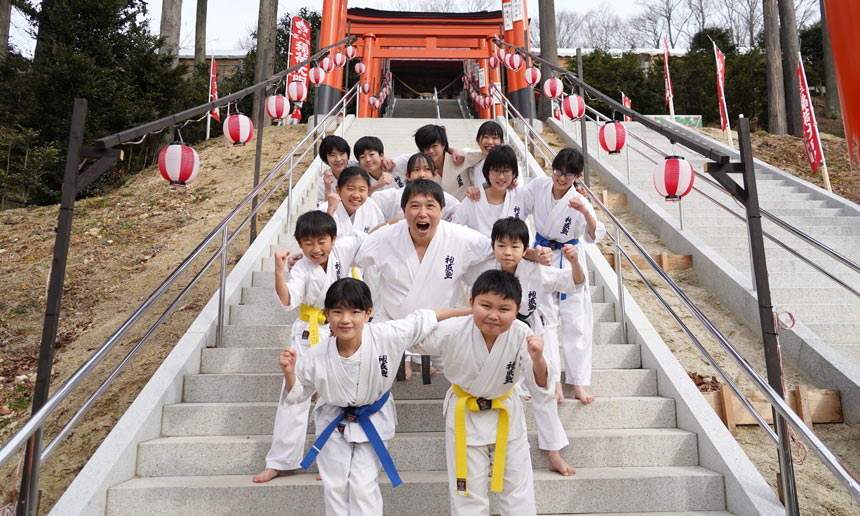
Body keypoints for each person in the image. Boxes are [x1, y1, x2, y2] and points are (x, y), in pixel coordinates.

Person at [279, 278, 467, 516]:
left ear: (368, 314)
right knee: (335, 485)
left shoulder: (386, 334)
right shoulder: (316, 355)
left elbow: (426, 318)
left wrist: (473, 311)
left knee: (362, 485)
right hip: (332, 420)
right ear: (326, 314)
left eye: (354, 312)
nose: (345, 320)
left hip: (373, 418)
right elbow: (298, 395)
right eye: (337, 312)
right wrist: (289, 374)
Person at [354, 179, 550, 379]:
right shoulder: (386, 236)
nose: (423, 213)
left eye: (430, 206)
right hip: (394, 325)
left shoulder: (459, 237)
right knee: (374, 379)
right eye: (415, 206)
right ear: (403, 211)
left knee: (464, 379)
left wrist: (531, 254)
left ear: (441, 210)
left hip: (441, 327)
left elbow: (500, 247)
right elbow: (354, 255)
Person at [410, 269, 554, 516]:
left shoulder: (522, 334)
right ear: (471, 302)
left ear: (517, 309)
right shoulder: (453, 330)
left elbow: (540, 382)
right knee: (467, 493)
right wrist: (458, 314)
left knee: (518, 489)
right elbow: (408, 336)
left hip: (506, 414)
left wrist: (538, 357)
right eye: (485, 305)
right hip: (465, 415)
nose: (493, 315)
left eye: (503, 309)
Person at [252, 211, 364, 484]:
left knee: (336, 398)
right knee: (293, 396)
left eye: (322, 241)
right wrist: (280, 270)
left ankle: (332, 460)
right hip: (307, 334)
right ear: (300, 245)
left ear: (333, 239)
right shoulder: (301, 268)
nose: (316, 249)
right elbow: (288, 299)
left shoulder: (345, 249)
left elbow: (373, 236)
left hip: (340, 331)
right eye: (308, 243)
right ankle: (280, 461)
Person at [481, 217, 584, 476]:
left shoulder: (534, 269)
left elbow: (575, 283)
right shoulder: (484, 271)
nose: (507, 252)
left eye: (515, 246)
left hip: (532, 335)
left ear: (525, 248)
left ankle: (554, 454)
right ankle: (501, 454)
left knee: (544, 390)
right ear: (492, 245)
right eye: (501, 245)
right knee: (501, 393)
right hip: (497, 335)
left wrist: (574, 261)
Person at [523, 147, 606, 404]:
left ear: (577, 176)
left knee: (577, 322)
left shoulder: (579, 200)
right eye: (558, 171)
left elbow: (595, 234)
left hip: (570, 259)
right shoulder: (537, 186)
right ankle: (554, 381)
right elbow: (518, 204)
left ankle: (579, 383)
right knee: (546, 321)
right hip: (543, 256)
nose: (561, 178)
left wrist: (584, 213)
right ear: (552, 168)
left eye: (568, 175)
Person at [452, 145, 529, 234]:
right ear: (487, 172)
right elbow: (454, 228)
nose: (501, 177)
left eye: (506, 171)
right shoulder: (473, 199)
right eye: (496, 171)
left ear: (514, 173)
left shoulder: (520, 196)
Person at [371, 152, 460, 223]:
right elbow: (365, 200)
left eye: (427, 169)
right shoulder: (394, 196)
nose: (422, 175)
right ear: (408, 176)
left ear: (434, 174)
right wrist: (377, 185)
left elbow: (461, 215)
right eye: (416, 170)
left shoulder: (446, 199)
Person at [413, 124, 484, 200]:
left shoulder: (460, 157)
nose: (431, 151)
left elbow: (485, 154)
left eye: (434, 146)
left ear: (443, 144)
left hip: (465, 208)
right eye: (426, 147)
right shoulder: (418, 168)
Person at [318, 167, 385, 237]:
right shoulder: (324, 210)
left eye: (362, 190)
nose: (356, 195)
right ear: (338, 190)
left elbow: (379, 235)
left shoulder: (371, 205)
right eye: (350, 189)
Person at [468, 120, 505, 189]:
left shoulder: (510, 165)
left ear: (501, 142)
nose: (490, 142)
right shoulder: (474, 167)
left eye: (495, 138)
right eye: (486, 137)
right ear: (478, 141)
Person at [317, 135, 352, 203]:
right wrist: (327, 189)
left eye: (342, 154)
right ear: (325, 159)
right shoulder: (325, 181)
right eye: (332, 155)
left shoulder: (358, 167)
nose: (338, 159)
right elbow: (323, 209)